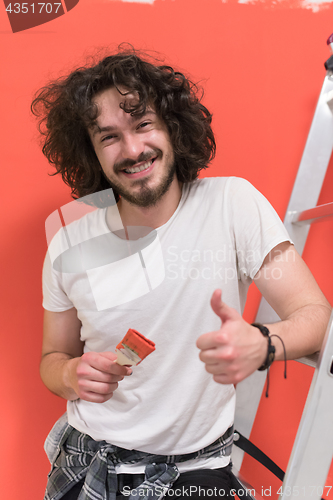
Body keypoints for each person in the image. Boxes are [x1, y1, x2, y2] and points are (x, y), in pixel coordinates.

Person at [32, 48, 331, 500]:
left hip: (194, 472)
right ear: (91, 150)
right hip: (87, 461)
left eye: (143, 124)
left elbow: (316, 316)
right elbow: (51, 360)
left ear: (172, 126)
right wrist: (72, 374)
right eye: (109, 137)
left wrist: (265, 342)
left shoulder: (233, 204)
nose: (132, 150)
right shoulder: (68, 244)